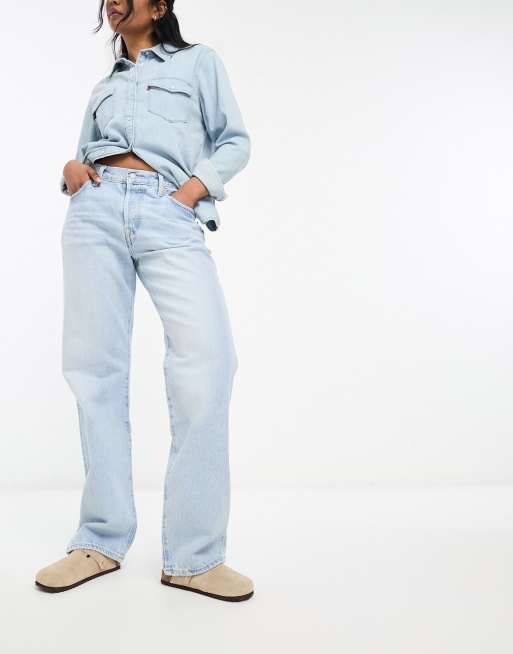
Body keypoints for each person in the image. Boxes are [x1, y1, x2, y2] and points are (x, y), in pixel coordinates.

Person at [34, 0, 253, 602]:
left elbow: (235, 141)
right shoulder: (105, 85)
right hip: (95, 213)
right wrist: (71, 169)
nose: (112, 1)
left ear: (159, 6)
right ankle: (100, 541)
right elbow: (85, 150)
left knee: (208, 361)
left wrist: (190, 191)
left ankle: (194, 557)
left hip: (168, 211)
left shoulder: (199, 63)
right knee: (94, 370)